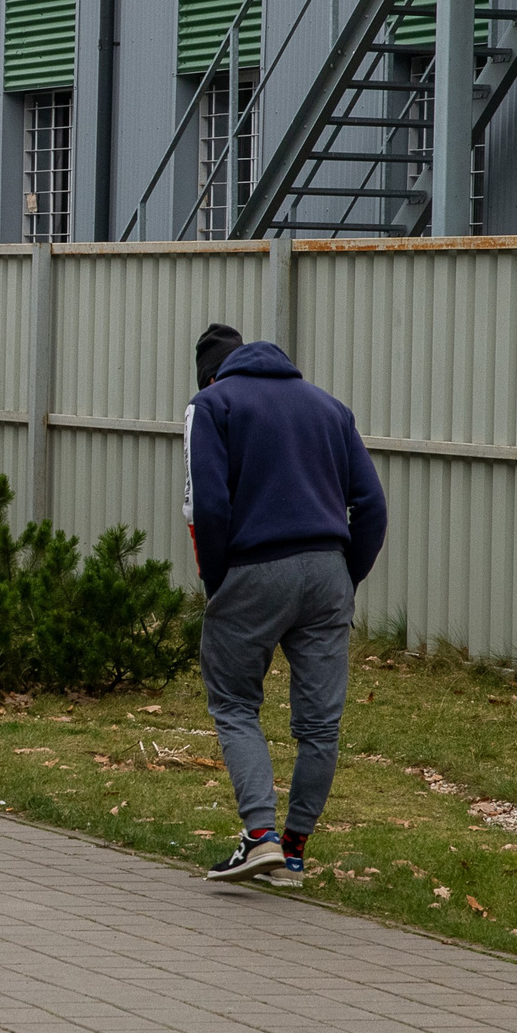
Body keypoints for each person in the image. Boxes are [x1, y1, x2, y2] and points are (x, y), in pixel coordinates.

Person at [184, 322, 388, 885]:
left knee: (234, 703)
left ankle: (259, 836)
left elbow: (208, 506)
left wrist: (219, 583)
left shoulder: (211, 405)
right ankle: (293, 853)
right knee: (320, 724)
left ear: (210, 375)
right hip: (328, 572)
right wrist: (345, 577)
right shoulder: (330, 408)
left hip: (253, 570)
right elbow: (371, 505)